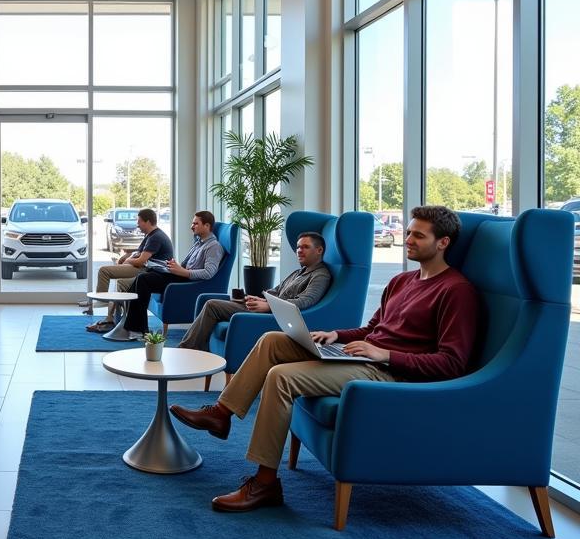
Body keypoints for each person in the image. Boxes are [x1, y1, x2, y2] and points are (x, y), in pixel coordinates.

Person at [169, 206, 480, 512]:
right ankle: (221, 413)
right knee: (273, 340)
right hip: (364, 357)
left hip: (391, 372)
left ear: (443, 243)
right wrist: (336, 335)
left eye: (419, 235)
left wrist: (385, 354)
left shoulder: (456, 291)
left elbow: (452, 363)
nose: (409, 239)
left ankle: (265, 485)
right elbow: (372, 329)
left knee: (281, 376)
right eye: (409, 232)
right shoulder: (402, 281)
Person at [177, 232, 332, 351]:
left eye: (305, 247)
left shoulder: (320, 275)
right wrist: (258, 298)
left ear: (319, 250)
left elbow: (304, 301)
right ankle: (200, 348)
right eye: (298, 247)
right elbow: (276, 290)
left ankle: (186, 349)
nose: (299, 251)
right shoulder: (299, 272)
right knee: (209, 300)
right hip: (268, 308)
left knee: (212, 305)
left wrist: (269, 306)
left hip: (275, 316)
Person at [121, 211, 224, 338]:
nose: (192, 226)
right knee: (145, 275)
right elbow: (186, 264)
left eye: (195, 223)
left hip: (189, 282)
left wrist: (183, 271)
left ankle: (135, 328)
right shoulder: (198, 242)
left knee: (143, 279)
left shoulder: (213, 246)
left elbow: (209, 273)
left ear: (207, 226)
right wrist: (174, 266)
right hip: (181, 275)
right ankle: (132, 325)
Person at [85, 208, 173, 332]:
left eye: (139, 221)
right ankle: (113, 319)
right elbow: (139, 252)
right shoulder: (151, 235)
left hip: (147, 270)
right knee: (121, 282)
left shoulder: (156, 237)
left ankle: (102, 302)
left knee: (104, 271)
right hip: (144, 268)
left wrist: (128, 260)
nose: (137, 224)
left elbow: (141, 261)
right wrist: (127, 256)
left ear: (147, 222)